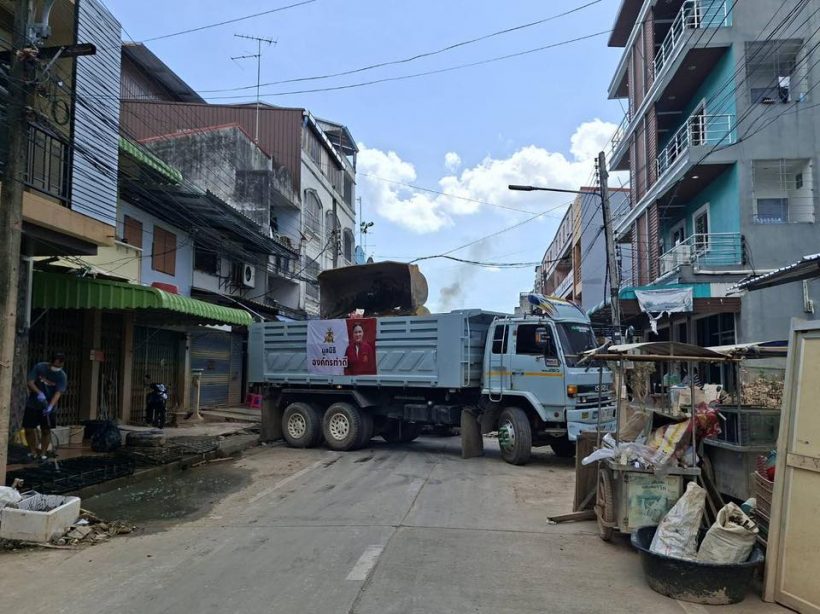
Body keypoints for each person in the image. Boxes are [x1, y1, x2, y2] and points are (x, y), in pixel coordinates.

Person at [23, 352, 67, 462]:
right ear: (51, 362)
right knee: (28, 428)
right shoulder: (40, 367)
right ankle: (32, 451)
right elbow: (30, 382)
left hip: (48, 406)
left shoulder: (62, 376)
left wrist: (50, 406)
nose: (57, 368)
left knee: (46, 430)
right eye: (55, 365)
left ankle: (43, 453)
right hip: (33, 404)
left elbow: (58, 392)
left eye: (59, 366)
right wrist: (39, 393)